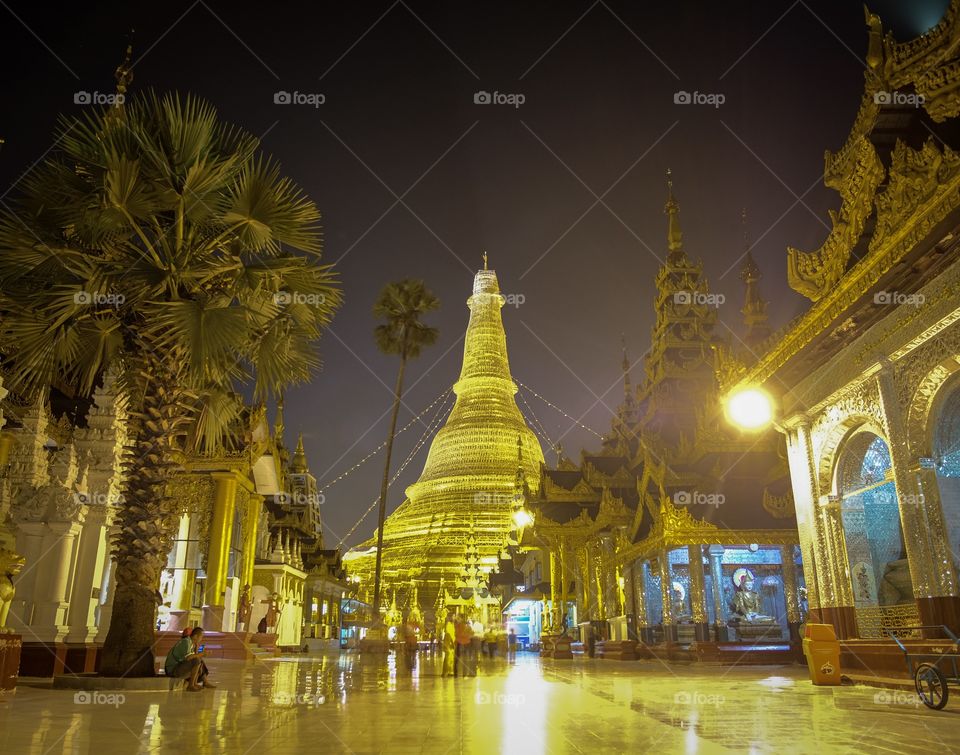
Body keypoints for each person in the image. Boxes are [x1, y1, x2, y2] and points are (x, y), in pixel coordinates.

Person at [441, 613, 456, 678]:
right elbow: (448, 634)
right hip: (449, 643)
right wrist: (451, 642)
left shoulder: (452, 625)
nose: (454, 618)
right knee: (447, 658)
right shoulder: (448, 624)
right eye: (453, 616)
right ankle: (445, 672)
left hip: (453, 643)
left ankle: (450, 671)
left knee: (451, 658)